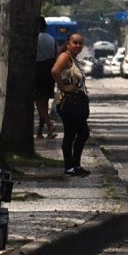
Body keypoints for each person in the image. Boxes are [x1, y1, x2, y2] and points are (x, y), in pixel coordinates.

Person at [51, 31, 91, 176]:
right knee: (72, 134)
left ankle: (76, 165)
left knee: (82, 133)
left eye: (80, 43)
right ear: (68, 44)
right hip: (69, 103)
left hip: (78, 102)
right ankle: (70, 166)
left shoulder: (74, 59)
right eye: (75, 42)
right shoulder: (65, 57)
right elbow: (55, 71)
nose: (78, 45)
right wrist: (63, 87)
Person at [34, 17, 58, 139]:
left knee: (38, 102)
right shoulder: (51, 39)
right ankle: (40, 132)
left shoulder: (34, 39)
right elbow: (56, 55)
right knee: (44, 103)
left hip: (37, 73)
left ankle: (49, 124)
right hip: (49, 74)